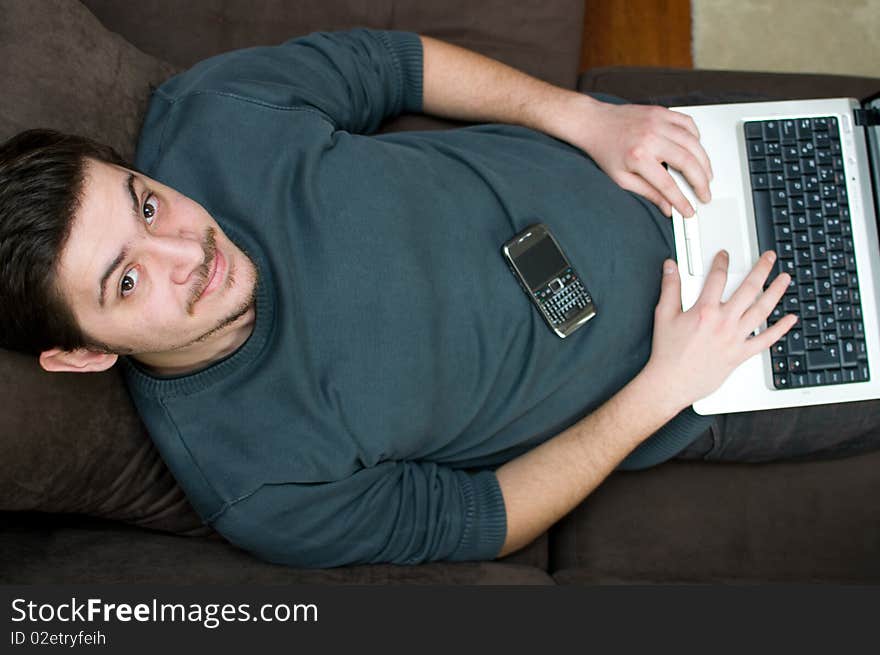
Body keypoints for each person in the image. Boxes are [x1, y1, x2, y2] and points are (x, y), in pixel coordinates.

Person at [0, 30, 872, 567]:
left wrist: (583, 116)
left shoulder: (213, 116)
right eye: (126, 279)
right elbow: (481, 520)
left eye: (145, 203)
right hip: (713, 360)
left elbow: (391, 63)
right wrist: (663, 390)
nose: (185, 250)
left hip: (659, 160)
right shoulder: (258, 484)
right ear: (82, 352)